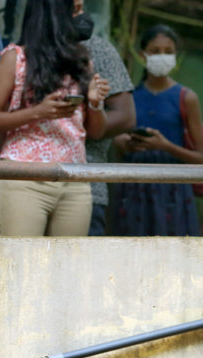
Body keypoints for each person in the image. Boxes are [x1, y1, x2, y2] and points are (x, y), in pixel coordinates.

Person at [0, 0, 110, 237]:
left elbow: (97, 132)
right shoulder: (15, 58)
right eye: (76, 10)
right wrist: (37, 112)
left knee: (68, 267)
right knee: (23, 264)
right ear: (55, 14)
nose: (82, 17)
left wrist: (95, 103)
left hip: (75, 180)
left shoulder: (82, 62)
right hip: (24, 178)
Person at [112, 25, 203, 236]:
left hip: (173, 190)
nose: (162, 57)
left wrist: (164, 146)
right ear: (142, 55)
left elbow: (202, 159)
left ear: (176, 57)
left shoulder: (186, 97)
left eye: (168, 52)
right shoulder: (129, 96)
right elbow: (116, 144)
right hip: (134, 188)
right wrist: (125, 143)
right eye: (155, 51)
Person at [73, 0, 136, 236]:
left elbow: (126, 116)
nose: (81, 11)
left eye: (81, 6)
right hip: (28, 185)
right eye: (74, 7)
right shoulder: (22, 53)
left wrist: (74, 125)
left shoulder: (98, 50)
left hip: (87, 185)